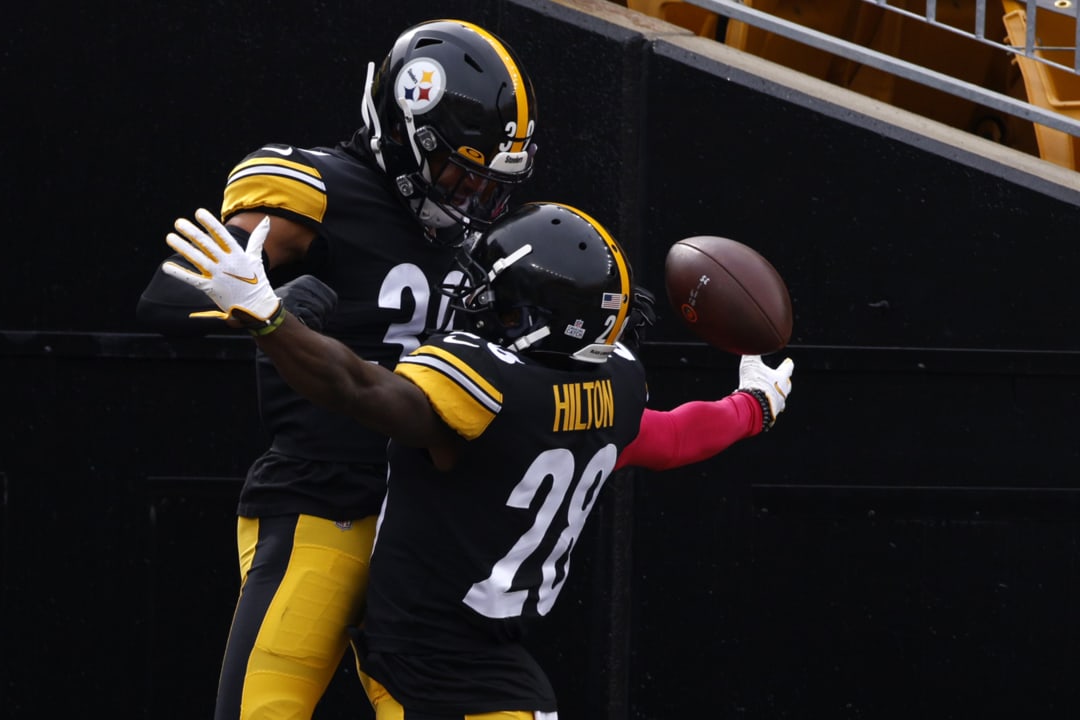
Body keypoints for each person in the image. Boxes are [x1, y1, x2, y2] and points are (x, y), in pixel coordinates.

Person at [159, 201, 795, 718]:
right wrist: (752, 407)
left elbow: (358, 389)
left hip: (437, 656)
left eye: (505, 302)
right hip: (468, 650)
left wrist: (271, 320)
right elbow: (672, 438)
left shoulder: (489, 388)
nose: (479, 304)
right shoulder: (617, 389)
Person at [135, 19, 540, 720]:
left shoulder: (474, 235)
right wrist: (260, 303)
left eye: (485, 185)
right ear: (405, 128)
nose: (470, 200)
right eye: (456, 174)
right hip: (326, 501)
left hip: (427, 523)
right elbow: (168, 294)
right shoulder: (320, 186)